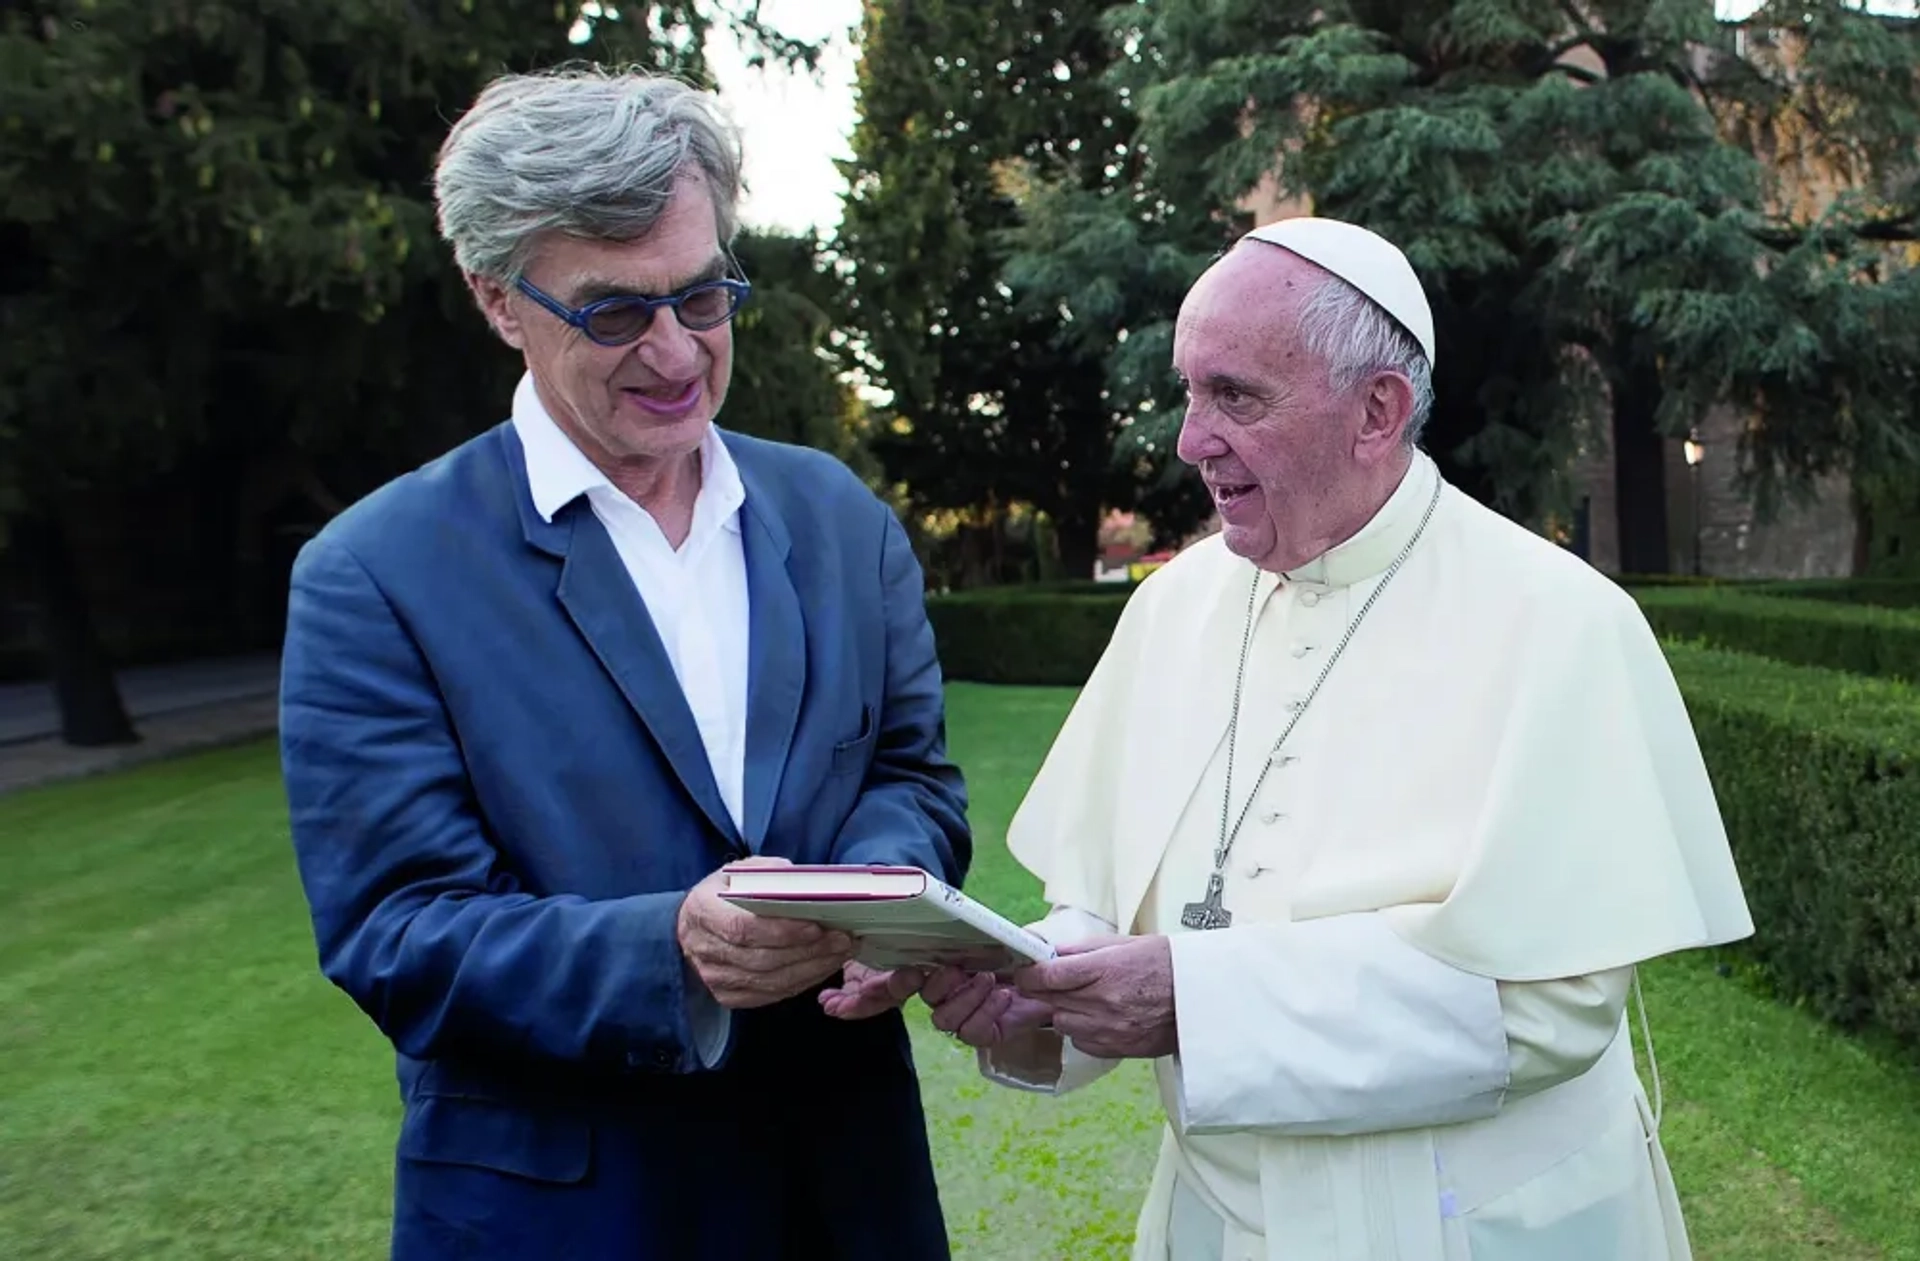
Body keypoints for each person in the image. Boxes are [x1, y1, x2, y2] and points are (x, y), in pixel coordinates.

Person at [908, 217, 1754, 1260]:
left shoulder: (1559, 621)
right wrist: (1041, 988)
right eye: (1188, 392)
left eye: (1236, 396)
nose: (1189, 440)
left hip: (1478, 1227)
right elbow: (1110, 894)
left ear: (1376, 410)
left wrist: (1193, 1002)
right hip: (1218, 1222)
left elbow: (1551, 1008)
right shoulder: (1171, 610)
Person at [278, 66, 969, 1261]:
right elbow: (398, 933)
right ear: (499, 301)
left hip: (849, 1192)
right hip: (567, 1216)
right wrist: (672, 950)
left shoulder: (839, 516)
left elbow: (911, 778)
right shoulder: (374, 573)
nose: (675, 353)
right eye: (614, 313)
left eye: (703, 297)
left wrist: (871, 898)